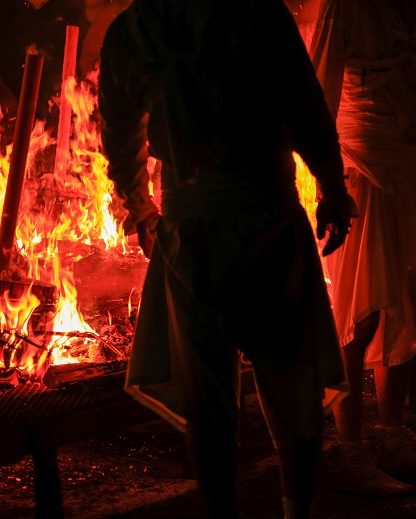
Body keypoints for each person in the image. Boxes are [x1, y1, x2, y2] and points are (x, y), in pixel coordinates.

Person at [98, 1, 356, 518]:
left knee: (208, 400)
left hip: (196, 234)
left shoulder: (135, 28)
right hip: (268, 223)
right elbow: (304, 108)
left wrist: (141, 207)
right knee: (290, 380)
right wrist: (330, 186)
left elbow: (119, 135)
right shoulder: (259, 15)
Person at [309, 0, 416, 497]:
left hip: (407, 166)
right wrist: (330, 185)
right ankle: (350, 448)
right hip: (361, 168)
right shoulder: (342, 8)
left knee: (406, 302)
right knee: (359, 311)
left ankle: (391, 435)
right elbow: (316, 99)